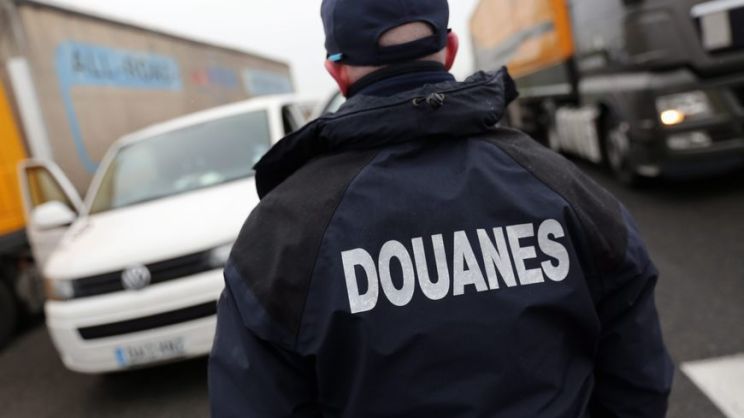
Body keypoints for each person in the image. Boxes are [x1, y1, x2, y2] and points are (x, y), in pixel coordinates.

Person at [208, 0, 674, 416]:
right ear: (449, 50)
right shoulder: (559, 183)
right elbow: (638, 373)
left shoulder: (280, 231)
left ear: (337, 72)